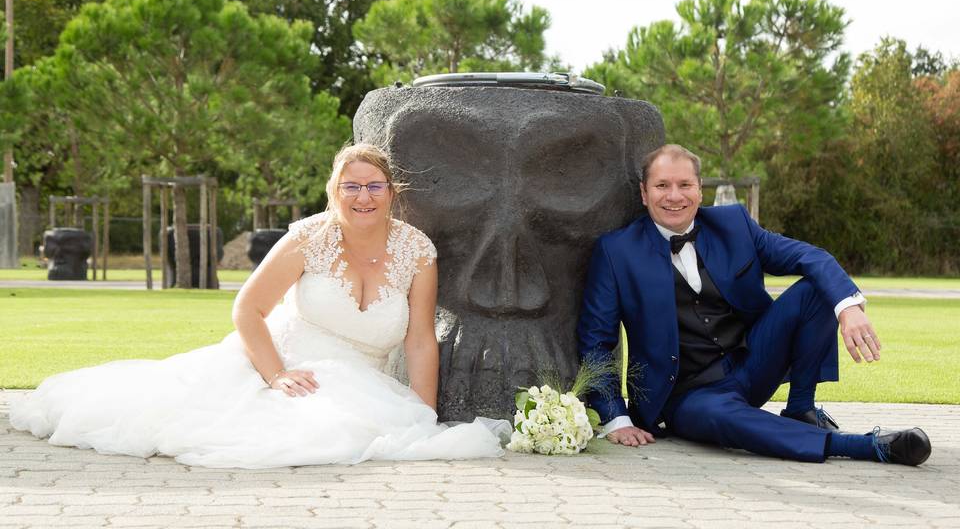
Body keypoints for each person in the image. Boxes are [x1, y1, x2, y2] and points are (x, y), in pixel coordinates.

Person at [10, 144, 507, 468]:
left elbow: (420, 336)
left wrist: (422, 410)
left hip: (367, 383)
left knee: (347, 435)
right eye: (351, 186)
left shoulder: (416, 250)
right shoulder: (307, 238)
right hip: (280, 366)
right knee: (198, 418)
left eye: (374, 185)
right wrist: (276, 375)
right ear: (335, 192)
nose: (363, 196)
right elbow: (247, 309)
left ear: (390, 193)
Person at [577, 144, 932, 466]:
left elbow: (809, 256)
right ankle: (864, 446)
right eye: (662, 186)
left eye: (685, 185)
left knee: (816, 289)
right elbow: (597, 339)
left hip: (752, 363)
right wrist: (616, 417)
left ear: (700, 190)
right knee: (724, 419)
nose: (674, 196)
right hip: (686, 396)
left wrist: (848, 307)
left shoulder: (733, 225)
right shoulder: (616, 251)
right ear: (644, 193)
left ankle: (800, 409)